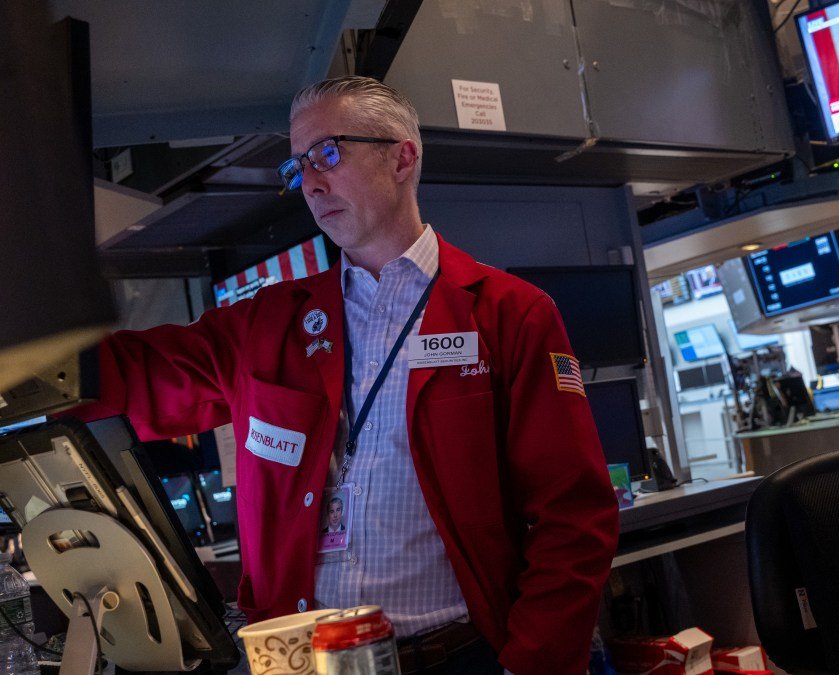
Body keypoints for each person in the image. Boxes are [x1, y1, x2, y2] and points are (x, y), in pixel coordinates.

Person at [74, 76, 619, 675]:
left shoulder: (508, 314)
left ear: (402, 158)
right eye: (296, 167)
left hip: (456, 657)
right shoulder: (266, 325)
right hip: (295, 663)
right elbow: (123, 380)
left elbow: (574, 515)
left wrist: (535, 664)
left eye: (327, 153)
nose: (309, 183)